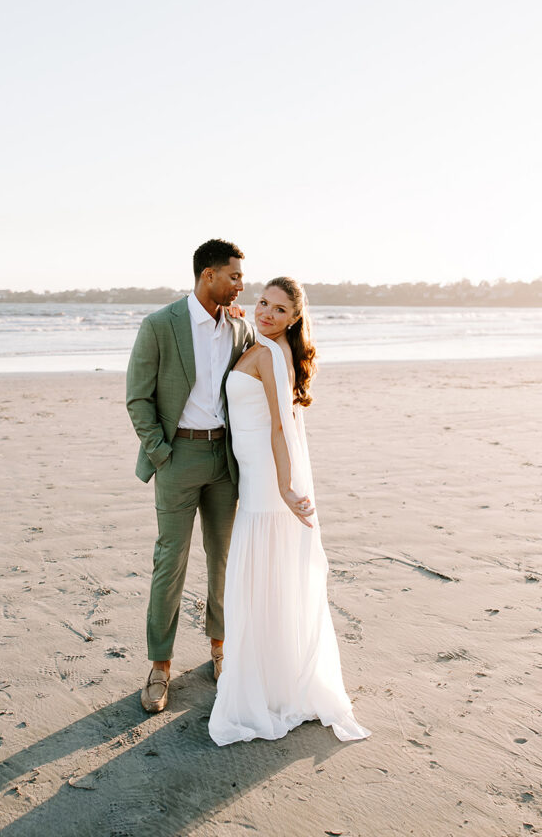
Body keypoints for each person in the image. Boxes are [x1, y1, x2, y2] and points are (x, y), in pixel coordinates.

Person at [209, 277, 371, 745]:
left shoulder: (272, 356)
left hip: (265, 480)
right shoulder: (259, 345)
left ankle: (269, 687)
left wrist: (284, 485)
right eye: (263, 303)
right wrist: (243, 321)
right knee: (265, 577)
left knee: (264, 575)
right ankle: (268, 675)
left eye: (280, 310)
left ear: (295, 318)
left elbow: (282, 425)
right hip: (253, 473)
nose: (267, 313)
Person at [126, 239, 256, 713]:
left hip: (225, 460)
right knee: (170, 562)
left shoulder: (238, 329)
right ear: (208, 276)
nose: (241, 284)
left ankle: (220, 649)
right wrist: (161, 452)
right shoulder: (161, 325)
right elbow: (138, 397)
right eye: (235, 276)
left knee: (224, 559)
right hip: (176, 457)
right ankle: (160, 665)